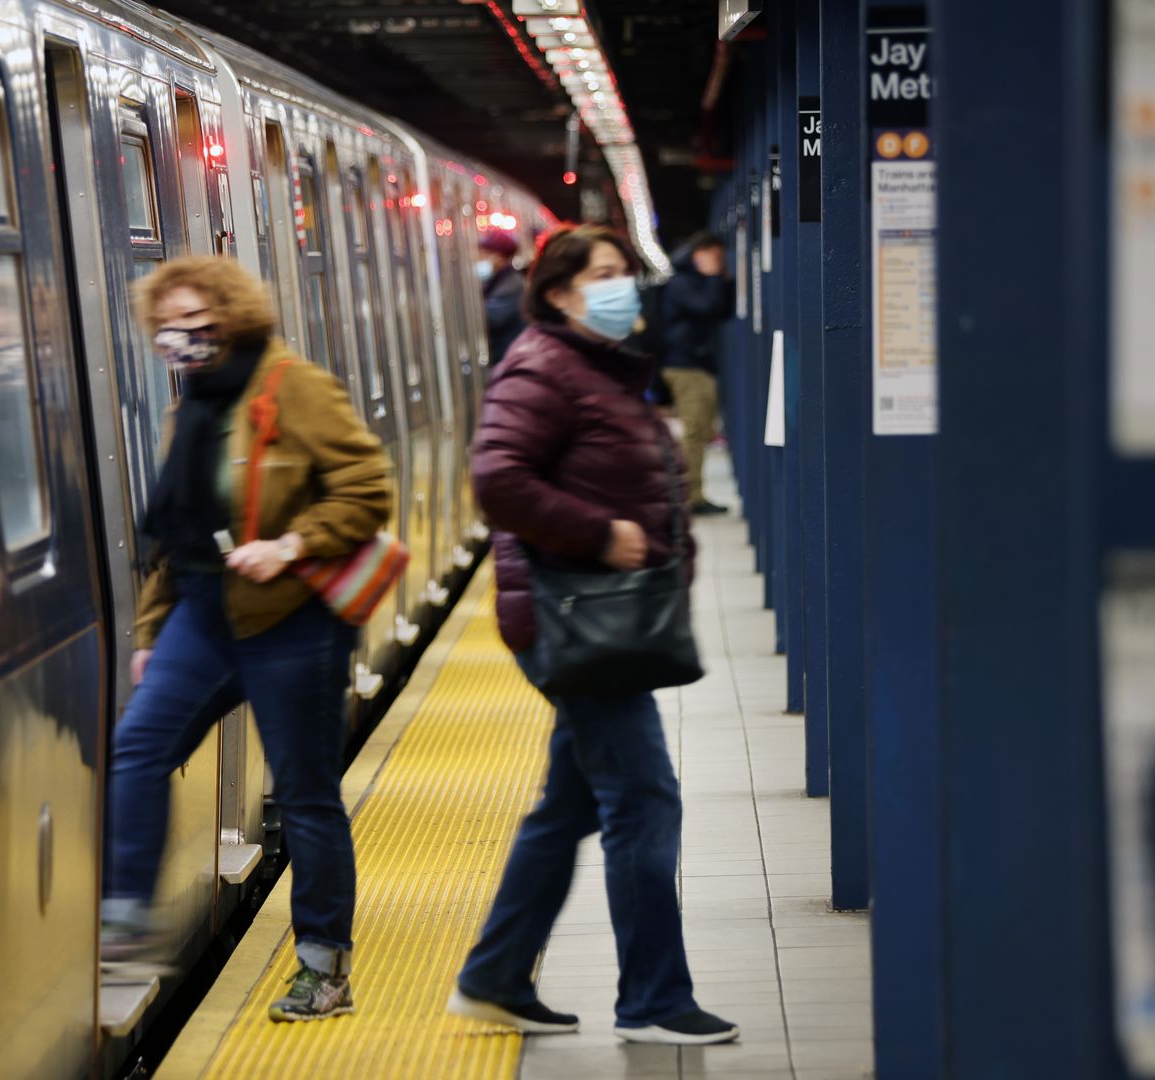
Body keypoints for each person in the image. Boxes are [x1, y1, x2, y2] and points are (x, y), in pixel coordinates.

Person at [446, 224, 740, 1046]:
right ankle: (652, 997)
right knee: (644, 799)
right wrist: (599, 534)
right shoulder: (544, 366)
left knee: (568, 804)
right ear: (561, 293)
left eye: (623, 274)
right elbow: (497, 480)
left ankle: (494, 977)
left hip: (600, 613)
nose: (623, 289)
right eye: (605, 275)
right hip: (574, 616)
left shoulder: (597, 368)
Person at [101, 255, 393, 1022]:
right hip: (202, 617)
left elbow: (367, 488)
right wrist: (151, 633)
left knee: (306, 796)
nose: (181, 342)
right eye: (167, 328)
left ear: (232, 321)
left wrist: (290, 546)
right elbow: (179, 532)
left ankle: (323, 968)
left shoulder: (292, 386)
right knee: (138, 748)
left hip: (290, 620)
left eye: (196, 326)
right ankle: (127, 918)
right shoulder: (191, 404)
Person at [658, 231, 735, 515]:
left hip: (696, 364)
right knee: (693, 431)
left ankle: (694, 493)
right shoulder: (682, 283)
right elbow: (708, 309)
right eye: (715, 256)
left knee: (701, 430)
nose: (719, 262)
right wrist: (715, 277)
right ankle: (688, 497)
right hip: (685, 365)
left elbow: (723, 309)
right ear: (698, 254)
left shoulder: (694, 281)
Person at [478, 229, 528, 365]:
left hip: (507, 357)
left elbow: (490, 319)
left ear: (498, 257)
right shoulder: (498, 280)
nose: (479, 258)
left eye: (483, 254)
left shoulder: (512, 284)